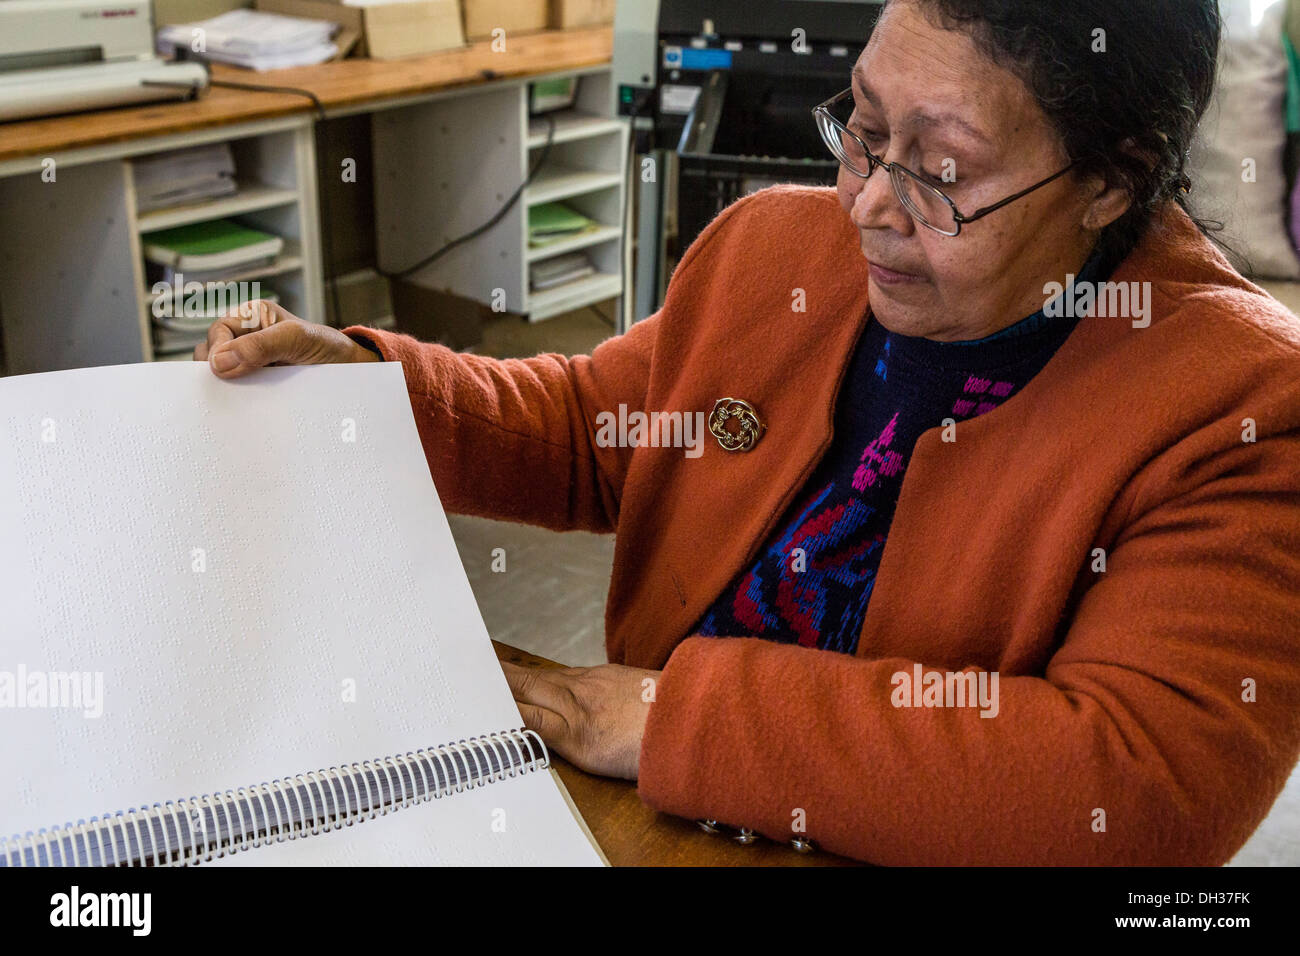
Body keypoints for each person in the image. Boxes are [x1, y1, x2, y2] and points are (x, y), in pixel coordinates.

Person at [197, 0, 1300, 864]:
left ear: (1111, 179)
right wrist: (368, 391)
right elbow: (599, 433)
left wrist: (656, 711)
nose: (867, 203)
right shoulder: (775, 249)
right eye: (863, 128)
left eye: (943, 170)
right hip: (651, 823)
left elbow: (1129, 785)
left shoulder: (1237, 406)